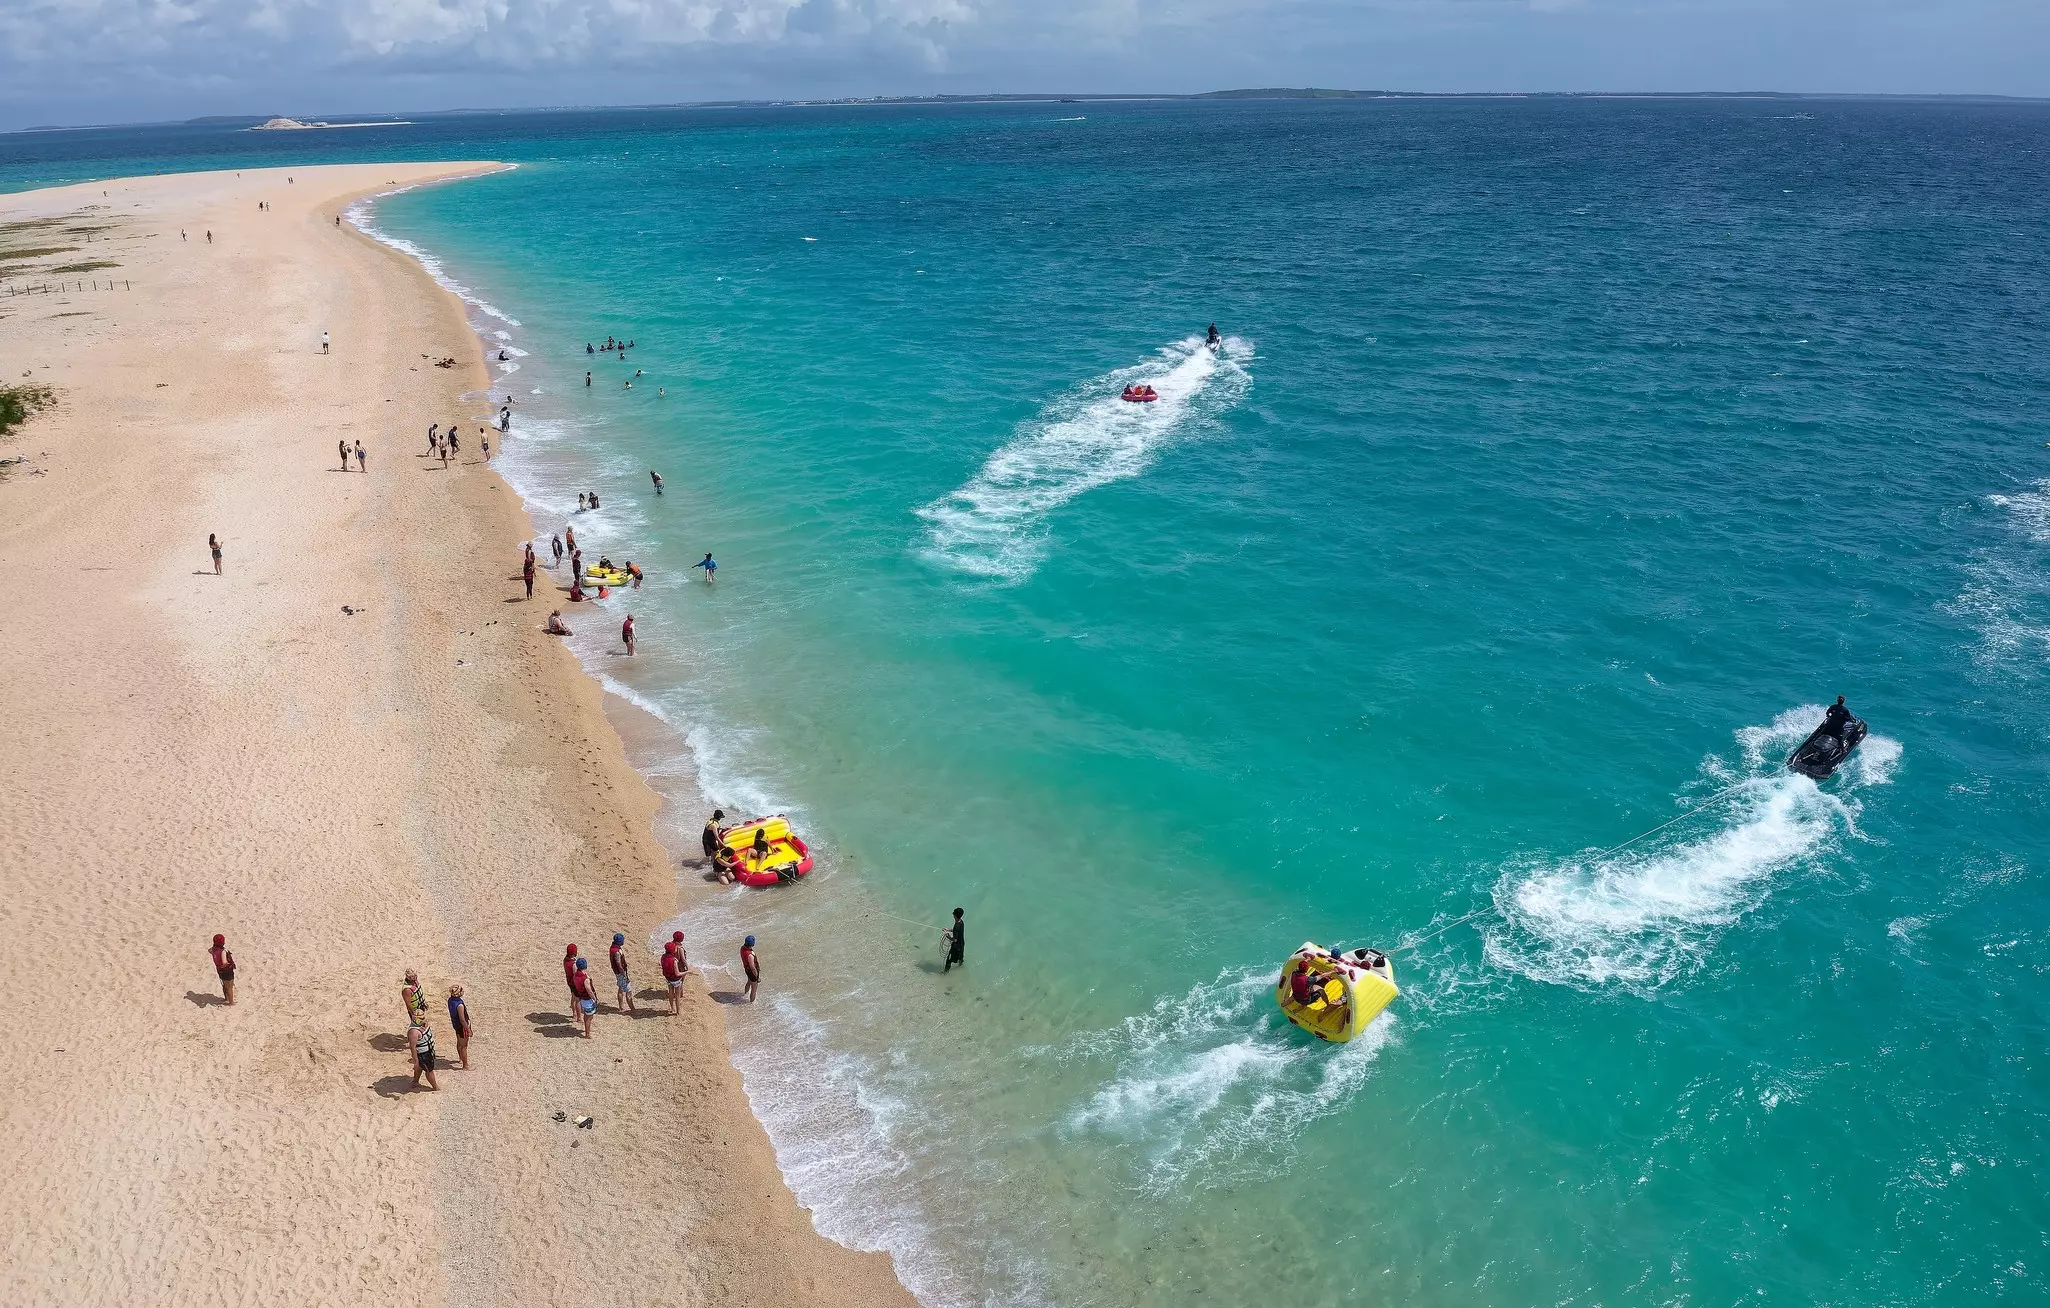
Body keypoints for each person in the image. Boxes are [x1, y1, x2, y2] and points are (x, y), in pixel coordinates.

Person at [408, 1013, 439, 1090]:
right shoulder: (413, 1032)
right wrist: (415, 1060)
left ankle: (415, 1081)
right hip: (423, 1054)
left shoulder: (423, 1023)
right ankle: (435, 1087)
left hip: (428, 1050)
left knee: (419, 1067)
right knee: (429, 1071)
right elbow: (413, 1047)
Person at [447, 985, 474, 1069]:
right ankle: (465, 1065)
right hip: (462, 1026)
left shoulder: (450, 1000)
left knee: (459, 1042)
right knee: (464, 1046)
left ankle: (461, 1058)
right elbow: (462, 1020)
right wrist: (468, 1029)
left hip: (456, 1025)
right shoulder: (460, 1005)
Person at [609, 932, 636, 1014]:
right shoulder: (617, 952)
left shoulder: (612, 948)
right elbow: (619, 965)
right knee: (628, 991)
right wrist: (625, 976)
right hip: (621, 973)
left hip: (617, 972)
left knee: (621, 988)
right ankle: (633, 1010)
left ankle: (621, 1007)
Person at [571, 958, 597, 1037]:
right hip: (587, 999)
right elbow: (589, 990)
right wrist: (594, 998)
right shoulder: (585, 979)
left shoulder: (576, 975)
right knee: (588, 1016)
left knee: (588, 1015)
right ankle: (587, 1034)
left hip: (582, 998)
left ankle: (587, 1031)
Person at [209, 934, 236, 1005]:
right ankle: (231, 1002)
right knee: (229, 987)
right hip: (226, 971)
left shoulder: (213, 950)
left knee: (224, 984)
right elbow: (224, 962)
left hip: (219, 971)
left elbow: (209, 950)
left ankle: (226, 998)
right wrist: (223, 965)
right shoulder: (223, 951)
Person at [661, 941, 684, 1014]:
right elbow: (677, 974)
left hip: (668, 978)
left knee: (670, 992)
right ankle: (678, 1011)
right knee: (677, 996)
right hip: (675, 979)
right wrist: (687, 972)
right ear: (673, 950)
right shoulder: (674, 960)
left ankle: (672, 1008)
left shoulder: (663, 957)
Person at [943, 908, 965, 972]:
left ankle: (945, 974)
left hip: (956, 947)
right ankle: (961, 966)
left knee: (949, 960)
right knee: (960, 958)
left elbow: (955, 940)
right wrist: (948, 930)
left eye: (953, 913)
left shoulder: (956, 926)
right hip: (961, 945)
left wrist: (948, 937)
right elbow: (957, 931)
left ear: (954, 915)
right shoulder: (961, 922)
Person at [740, 936, 760, 1004]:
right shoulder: (750, 955)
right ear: (753, 944)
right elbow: (753, 968)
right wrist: (757, 977)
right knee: (754, 989)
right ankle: (751, 1003)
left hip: (747, 970)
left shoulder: (742, 948)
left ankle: (745, 994)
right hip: (751, 972)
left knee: (749, 982)